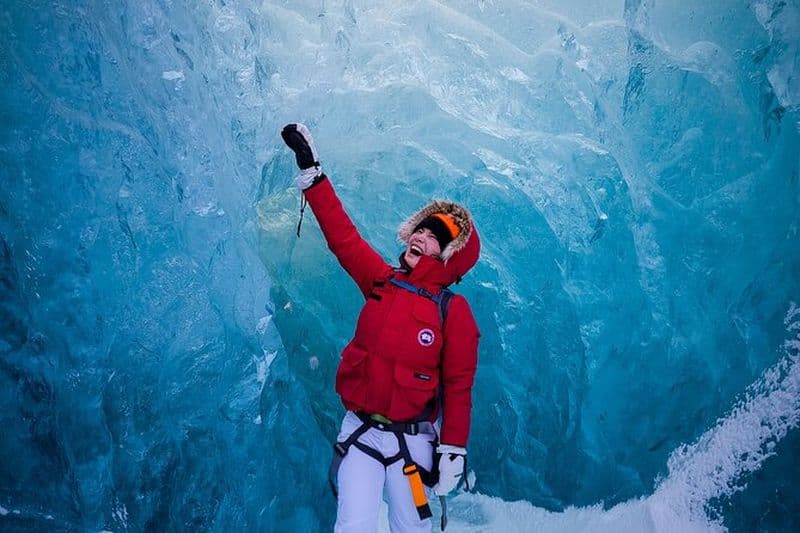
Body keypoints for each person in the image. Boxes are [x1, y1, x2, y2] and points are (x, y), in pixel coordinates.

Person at [281, 123, 481, 532]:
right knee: (352, 526)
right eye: (421, 230)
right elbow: (345, 240)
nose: (422, 237)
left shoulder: (453, 311)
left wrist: (454, 449)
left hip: (414, 443)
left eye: (434, 237)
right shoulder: (381, 281)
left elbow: (459, 386)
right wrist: (314, 176)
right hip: (360, 432)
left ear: (448, 256)